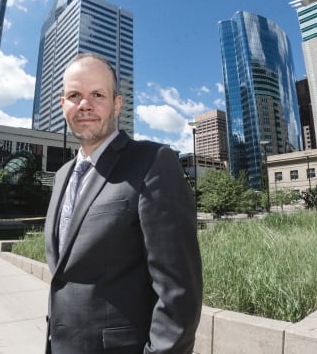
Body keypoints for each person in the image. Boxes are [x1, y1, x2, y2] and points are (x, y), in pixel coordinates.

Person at [43, 53, 203, 353]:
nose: (85, 104)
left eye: (97, 95)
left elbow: (178, 292)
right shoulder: (63, 175)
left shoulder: (153, 162)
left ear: (117, 104)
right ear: (63, 104)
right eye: (75, 95)